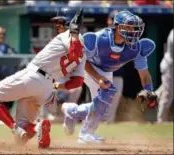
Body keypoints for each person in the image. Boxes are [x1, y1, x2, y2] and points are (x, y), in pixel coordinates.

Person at [0, 8, 85, 148]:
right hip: (47, 88)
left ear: (71, 22)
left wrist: (74, 31)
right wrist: (55, 87)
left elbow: (73, 53)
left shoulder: (69, 36)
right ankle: (38, 129)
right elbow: (77, 81)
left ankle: (16, 130)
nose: (57, 25)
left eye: (60, 21)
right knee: (25, 126)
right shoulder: (81, 49)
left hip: (33, 75)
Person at [61, 10, 158, 144]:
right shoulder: (99, 39)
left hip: (106, 71)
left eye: (135, 28)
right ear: (117, 27)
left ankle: (72, 111)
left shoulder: (136, 47)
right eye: (129, 27)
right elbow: (81, 60)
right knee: (108, 91)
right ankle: (85, 134)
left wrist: (148, 89)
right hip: (88, 66)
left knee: (103, 112)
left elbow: (144, 73)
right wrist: (99, 78)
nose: (133, 31)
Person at [156, 29, 173, 123]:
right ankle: (161, 120)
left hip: (170, 66)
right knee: (168, 93)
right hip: (169, 66)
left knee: (166, 89)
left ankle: (150, 98)